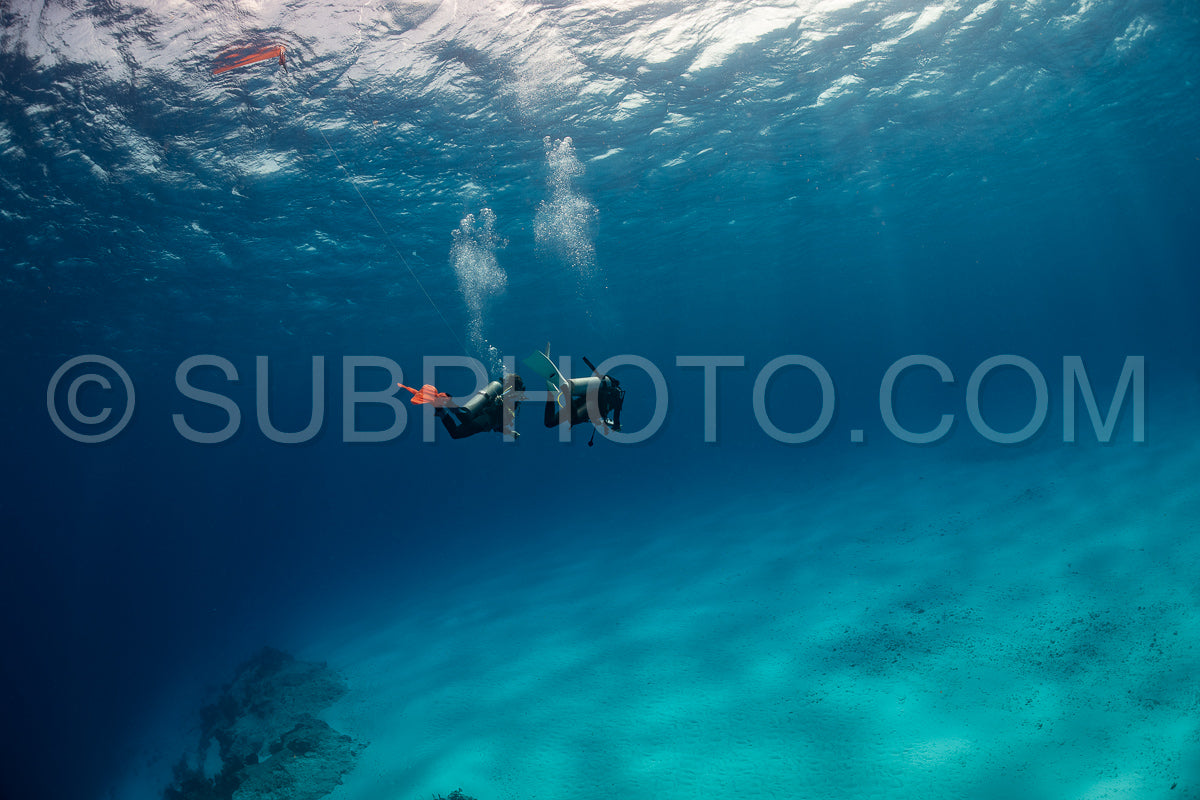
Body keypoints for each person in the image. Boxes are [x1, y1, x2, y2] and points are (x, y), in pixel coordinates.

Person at [400, 374, 525, 439]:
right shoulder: (512, 400)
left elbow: (499, 425)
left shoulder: (508, 397)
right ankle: (443, 404)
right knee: (457, 431)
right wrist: (508, 431)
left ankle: (440, 405)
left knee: (460, 425)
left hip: (476, 412)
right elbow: (499, 422)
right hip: (486, 420)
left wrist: (509, 432)